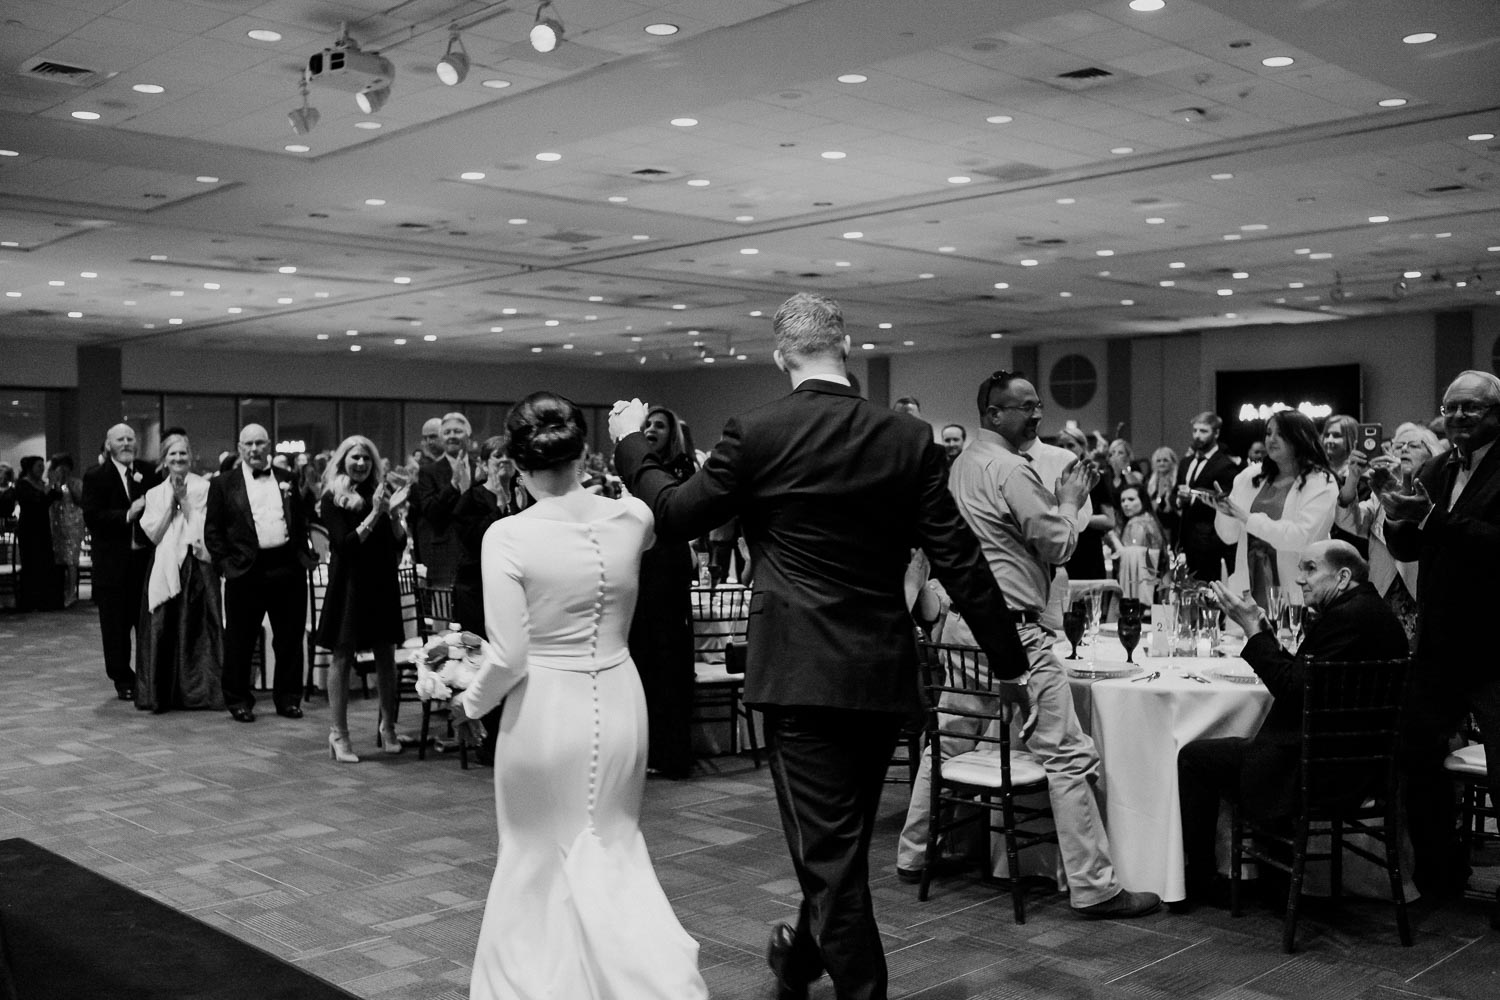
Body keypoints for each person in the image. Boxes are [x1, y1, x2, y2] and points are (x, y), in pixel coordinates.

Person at [610, 293, 1028, 1000]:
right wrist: (1010, 663)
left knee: (831, 857)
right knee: (836, 847)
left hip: (800, 673)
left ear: (781, 356)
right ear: (846, 347)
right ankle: (799, 958)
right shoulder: (909, 439)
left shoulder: (759, 431)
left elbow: (676, 512)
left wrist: (632, 445)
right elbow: (960, 558)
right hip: (880, 674)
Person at [448, 392, 709, 1000]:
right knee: (611, 845)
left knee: (533, 855)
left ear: (515, 464)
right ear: (585, 453)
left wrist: (469, 703)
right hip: (620, 698)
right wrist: (632, 441)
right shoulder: (634, 520)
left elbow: (508, 656)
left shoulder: (507, 536)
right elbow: (663, 501)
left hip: (543, 710)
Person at [896, 370, 1160, 920]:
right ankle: (1094, 886)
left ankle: (915, 854)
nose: (1037, 416)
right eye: (1025, 408)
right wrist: (1067, 500)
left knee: (950, 736)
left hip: (961, 626)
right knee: (1067, 754)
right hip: (1012, 632)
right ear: (993, 413)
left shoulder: (962, 465)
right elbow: (1060, 545)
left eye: (1039, 406)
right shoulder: (1011, 469)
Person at [1176, 541, 1408, 909]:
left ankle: (1204, 879)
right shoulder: (1368, 611)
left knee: (1194, 756)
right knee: (1237, 747)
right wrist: (1266, 636)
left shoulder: (1345, 619)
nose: (1300, 579)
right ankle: (1273, 874)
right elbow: (1308, 680)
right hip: (1359, 763)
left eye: (1310, 569)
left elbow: (1292, 691)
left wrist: (1253, 631)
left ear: (1344, 576)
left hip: (1321, 772)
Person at [1381, 370, 1500, 917]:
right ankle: (1440, 872)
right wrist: (1396, 516)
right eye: (1450, 408)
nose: (1457, 418)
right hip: (1439, 641)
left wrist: (1433, 518)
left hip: (1495, 643)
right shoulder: (1437, 465)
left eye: (1470, 409)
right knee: (1415, 755)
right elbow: (1408, 546)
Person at [205, 423, 316, 723]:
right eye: (248, 444)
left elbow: (303, 520)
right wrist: (226, 566)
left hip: (287, 568)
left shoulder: (288, 479)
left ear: (269, 446)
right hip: (245, 571)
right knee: (240, 640)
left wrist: (305, 555)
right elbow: (212, 532)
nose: (254, 449)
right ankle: (239, 700)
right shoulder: (223, 484)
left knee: (290, 639)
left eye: (260, 443)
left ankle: (288, 699)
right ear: (239, 448)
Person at [316, 436, 411, 762]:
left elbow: (396, 546)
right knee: (342, 657)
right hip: (349, 585)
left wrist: (396, 516)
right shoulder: (332, 498)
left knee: (387, 656)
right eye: (355, 458)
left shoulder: (381, 493)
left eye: (366, 459)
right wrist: (375, 514)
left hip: (381, 582)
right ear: (343, 461)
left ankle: (388, 727)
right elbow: (344, 545)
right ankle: (339, 734)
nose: (361, 464)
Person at [626, 406, 699, 780]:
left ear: (672, 434)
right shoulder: (635, 473)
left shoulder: (681, 469)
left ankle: (672, 751)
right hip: (641, 562)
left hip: (667, 565)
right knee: (644, 656)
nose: (652, 429)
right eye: (647, 425)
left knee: (668, 657)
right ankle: (645, 748)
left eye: (659, 425)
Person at [1211, 411, 1338, 612]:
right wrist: (1224, 511)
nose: (1271, 439)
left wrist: (1248, 519)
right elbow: (1228, 536)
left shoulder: (1321, 481)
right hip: (1248, 589)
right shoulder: (1250, 477)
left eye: (1281, 434)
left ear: (1300, 437)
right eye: (1269, 433)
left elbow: (1301, 538)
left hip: (1298, 590)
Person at [136, 432, 225, 713]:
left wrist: (185, 501)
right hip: (164, 564)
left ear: (191, 457)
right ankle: (162, 693)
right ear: (164, 460)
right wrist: (171, 504)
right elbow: (153, 535)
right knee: (164, 626)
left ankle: (200, 691)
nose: (178, 459)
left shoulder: (205, 488)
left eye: (183, 454)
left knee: (198, 627)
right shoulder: (154, 493)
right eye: (172, 454)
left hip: (196, 564)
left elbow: (204, 528)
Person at [451, 434, 526, 765]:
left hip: (515, 591)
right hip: (475, 592)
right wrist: (497, 501)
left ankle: (516, 738)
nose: (504, 461)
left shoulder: (526, 497)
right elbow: (476, 541)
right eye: (497, 456)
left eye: (508, 456)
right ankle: (486, 740)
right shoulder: (470, 499)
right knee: (483, 661)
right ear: (483, 463)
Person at [1335, 421, 1440, 647]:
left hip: (1422, 596)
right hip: (1382, 594)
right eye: (1398, 446)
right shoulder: (1380, 495)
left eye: (1413, 445)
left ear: (1432, 455)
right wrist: (1353, 478)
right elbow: (1349, 522)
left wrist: (1403, 485)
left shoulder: (1438, 491)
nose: (1403, 450)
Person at [82, 424, 162, 699]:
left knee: (146, 626)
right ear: (108, 445)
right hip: (112, 567)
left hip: (144, 565)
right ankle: (123, 680)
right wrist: (128, 514)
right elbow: (93, 518)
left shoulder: (149, 472)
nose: (127, 443)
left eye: (130, 438)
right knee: (115, 629)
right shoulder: (96, 477)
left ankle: (148, 676)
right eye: (121, 439)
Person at [411, 412, 477, 589]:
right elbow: (431, 512)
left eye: (457, 431)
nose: (452, 436)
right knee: (443, 614)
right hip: (445, 557)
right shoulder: (429, 472)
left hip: (479, 555)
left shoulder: (481, 469)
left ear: (468, 436)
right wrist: (453, 486)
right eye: (447, 432)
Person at [1175, 412, 1239, 582]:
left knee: (1208, 590)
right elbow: (1177, 493)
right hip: (1185, 538)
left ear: (1216, 433)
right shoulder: (1185, 462)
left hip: (1210, 541)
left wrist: (1194, 498)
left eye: (1203, 431)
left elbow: (1225, 501)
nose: (1197, 435)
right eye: (1195, 430)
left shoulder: (1225, 465)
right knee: (1185, 590)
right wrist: (1179, 500)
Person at [1055, 427, 1114, 581]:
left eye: (1070, 445)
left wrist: (1075, 515)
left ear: (1082, 448)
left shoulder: (1094, 477)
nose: (1065, 450)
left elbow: (1109, 520)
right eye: (1061, 446)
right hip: (1061, 551)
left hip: (1089, 552)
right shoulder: (1054, 477)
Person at [14, 456, 63, 612]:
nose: (42, 470)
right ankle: (28, 602)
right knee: (31, 563)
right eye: (39, 466)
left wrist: (55, 483)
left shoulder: (42, 484)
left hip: (43, 527)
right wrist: (48, 486)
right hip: (28, 528)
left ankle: (44, 601)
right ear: (30, 468)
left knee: (45, 562)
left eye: (43, 466)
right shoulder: (22, 484)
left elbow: (57, 496)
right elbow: (38, 501)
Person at [1322, 413, 1369, 558]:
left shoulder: (1363, 477)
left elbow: (1357, 521)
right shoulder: (1318, 473)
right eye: (1327, 434)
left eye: (1336, 435)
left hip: (1350, 549)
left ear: (1351, 439)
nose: (1329, 440)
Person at [46, 454, 86, 607]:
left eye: (64, 468)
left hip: (73, 523)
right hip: (55, 524)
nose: (61, 471)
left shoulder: (76, 483)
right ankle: (59, 592)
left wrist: (67, 483)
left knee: (71, 560)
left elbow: (80, 500)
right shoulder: (51, 484)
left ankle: (72, 593)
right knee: (58, 559)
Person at [1116, 483, 1166, 605]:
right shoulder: (1150, 519)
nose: (1125, 504)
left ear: (1143, 500)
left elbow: (1130, 553)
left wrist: (1112, 537)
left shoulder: (1137, 523)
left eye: (1131, 499)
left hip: (1140, 588)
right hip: (1156, 583)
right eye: (1123, 500)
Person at [1145, 446, 1180, 550]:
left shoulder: (1178, 480)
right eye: (1158, 461)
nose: (1161, 463)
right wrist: (1159, 496)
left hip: (1175, 527)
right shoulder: (1151, 482)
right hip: (1157, 525)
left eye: (1165, 460)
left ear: (1173, 462)